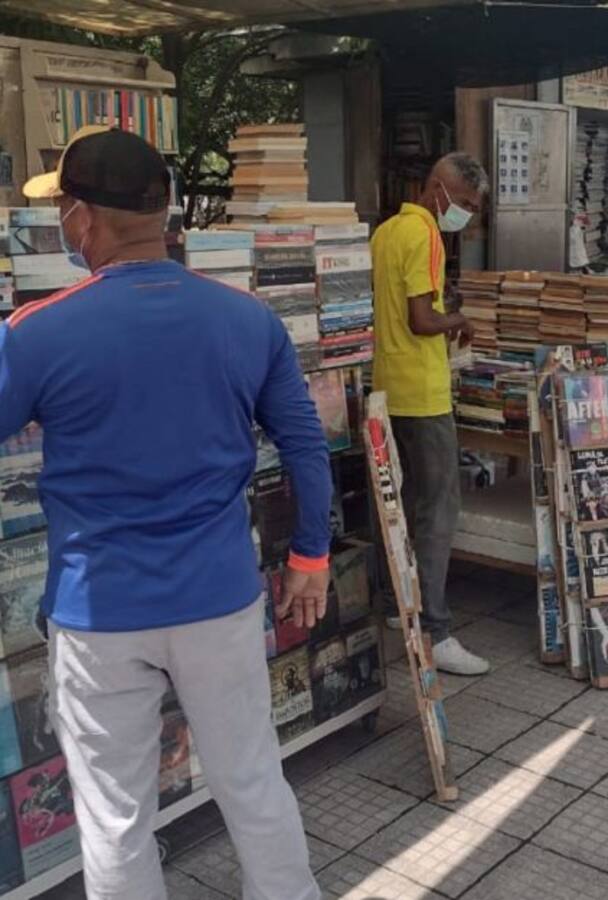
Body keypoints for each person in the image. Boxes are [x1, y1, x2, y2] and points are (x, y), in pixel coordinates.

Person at [1, 126, 329, 899]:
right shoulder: (248, 320)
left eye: (64, 214)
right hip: (218, 599)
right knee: (252, 780)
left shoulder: (36, 333)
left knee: (115, 816)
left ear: (80, 218)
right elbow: (306, 447)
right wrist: (310, 558)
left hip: (99, 610)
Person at [370, 153, 490, 675]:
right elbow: (421, 320)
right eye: (464, 202)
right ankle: (437, 631)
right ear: (438, 189)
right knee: (439, 508)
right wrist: (459, 317)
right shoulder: (425, 235)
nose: (466, 214)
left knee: (395, 501)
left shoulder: (386, 232)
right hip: (422, 391)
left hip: (385, 388)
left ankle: (394, 604)